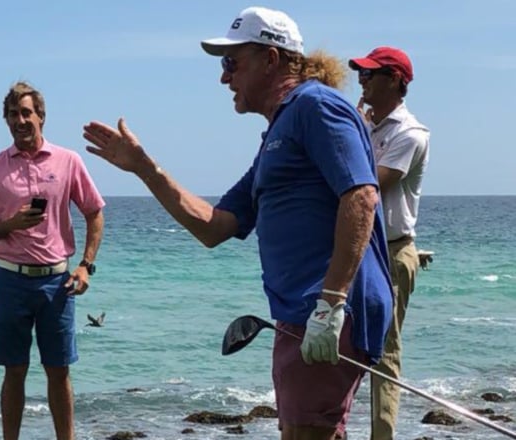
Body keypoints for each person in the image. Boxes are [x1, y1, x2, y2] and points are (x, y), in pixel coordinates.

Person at [83, 6, 393, 440]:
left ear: (271, 59)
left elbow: (360, 195)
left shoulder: (315, 106)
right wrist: (143, 168)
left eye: (232, 63)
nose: (224, 77)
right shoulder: (278, 135)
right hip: (304, 314)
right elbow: (214, 226)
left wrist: (331, 303)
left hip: (326, 311)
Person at [0, 81, 105, 440]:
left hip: (56, 282)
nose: (20, 120)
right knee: (14, 370)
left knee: (58, 371)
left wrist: (86, 266)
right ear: (6, 120)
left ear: (41, 116)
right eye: (13, 114)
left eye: (26, 113)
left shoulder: (67, 161)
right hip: (10, 280)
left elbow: (95, 213)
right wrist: (10, 225)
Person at [349, 47, 430, 440]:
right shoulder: (364, 125)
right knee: (342, 341)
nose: (362, 80)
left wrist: (351, 130)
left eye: (371, 73)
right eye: (362, 73)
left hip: (392, 248)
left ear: (396, 81)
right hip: (357, 245)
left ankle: (382, 437)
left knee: (385, 351)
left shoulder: (410, 133)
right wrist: (354, 124)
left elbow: (367, 186)